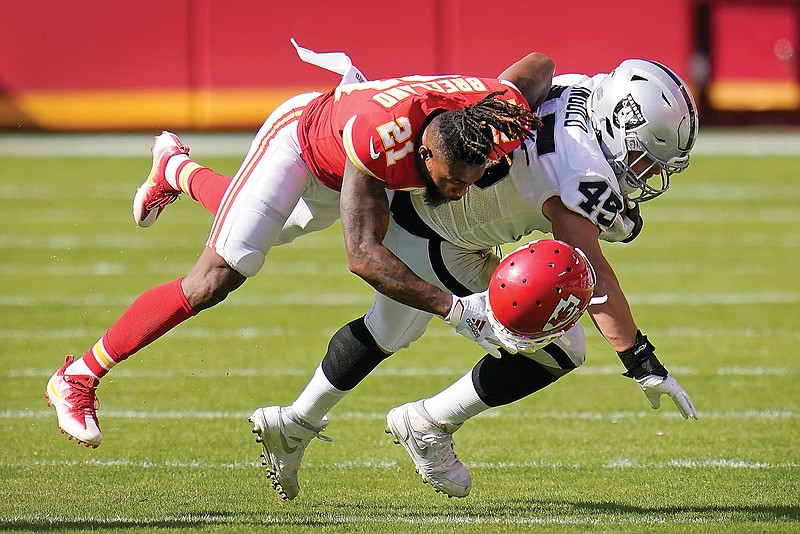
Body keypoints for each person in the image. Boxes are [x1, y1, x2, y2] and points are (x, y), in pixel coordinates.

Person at [44, 46, 556, 448]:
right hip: (304, 145)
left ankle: (176, 168)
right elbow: (362, 255)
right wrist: (454, 308)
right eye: (449, 182)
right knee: (218, 276)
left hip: (352, 159)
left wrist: (510, 107)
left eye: (469, 180)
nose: (460, 193)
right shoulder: (383, 141)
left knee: (261, 226)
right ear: (423, 151)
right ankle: (78, 376)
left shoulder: (489, 118)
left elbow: (539, 65)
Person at [243, 58, 700, 500]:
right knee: (563, 347)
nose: (649, 173)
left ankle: (296, 423)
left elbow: (538, 63)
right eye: (645, 158)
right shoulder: (583, 176)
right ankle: (427, 424)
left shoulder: (580, 94)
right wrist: (639, 359)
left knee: (388, 329)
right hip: (441, 234)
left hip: (430, 204)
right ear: (619, 127)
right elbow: (591, 273)